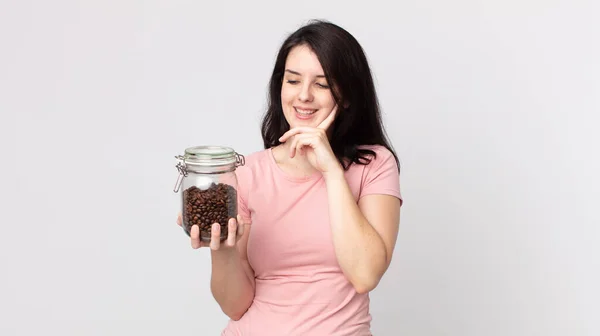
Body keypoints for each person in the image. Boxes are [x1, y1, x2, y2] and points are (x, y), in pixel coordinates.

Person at [177, 19, 403, 336]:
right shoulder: (245, 173)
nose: (304, 96)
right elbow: (235, 306)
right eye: (293, 80)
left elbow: (365, 274)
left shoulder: (375, 164)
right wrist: (224, 250)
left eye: (322, 84)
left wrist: (332, 173)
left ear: (348, 95)